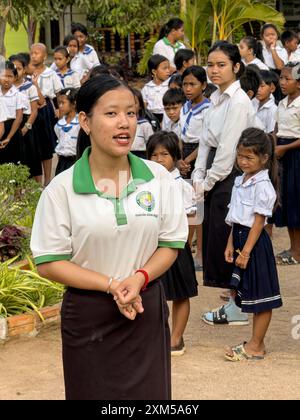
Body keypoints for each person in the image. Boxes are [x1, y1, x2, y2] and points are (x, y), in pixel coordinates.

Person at [30, 75, 188, 400]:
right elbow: (49, 261)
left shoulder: (157, 178)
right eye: (112, 113)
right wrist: (111, 284)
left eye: (131, 113)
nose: (125, 123)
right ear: (85, 121)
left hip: (144, 308)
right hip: (89, 318)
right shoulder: (61, 189)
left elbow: (170, 243)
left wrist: (139, 277)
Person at [193, 41, 261, 325]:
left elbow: (228, 149)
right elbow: (205, 142)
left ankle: (239, 306)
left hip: (235, 175)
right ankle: (235, 302)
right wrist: (198, 176)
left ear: (236, 67)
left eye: (221, 65)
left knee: (233, 237)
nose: (214, 70)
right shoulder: (215, 100)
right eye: (210, 64)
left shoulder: (238, 101)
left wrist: (207, 182)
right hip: (216, 176)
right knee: (220, 237)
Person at [224, 127, 282, 361]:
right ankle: (255, 342)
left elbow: (258, 223)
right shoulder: (240, 180)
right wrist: (230, 244)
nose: (243, 161)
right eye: (240, 156)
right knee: (249, 293)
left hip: (254, 244)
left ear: (264, 158)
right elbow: (235, 216)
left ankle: (256, 345)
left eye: (249, 157)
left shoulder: (263, 186)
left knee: (261, 297)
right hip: (239, 238)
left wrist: (246, 252)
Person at [147, 131, 197, 356]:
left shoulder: (181, 186)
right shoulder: (147, 183)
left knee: (180, 294)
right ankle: (159, 336)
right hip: (153, 247)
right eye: (154, 155)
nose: (158, 159)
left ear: (176, 156)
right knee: (155, 293)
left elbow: (191, 217)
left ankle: (176, 338)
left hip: (175, 247)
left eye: (164, 154)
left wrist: (182, 246)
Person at [273, 62, 300, 265]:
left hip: (295, 154)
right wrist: (275, 144)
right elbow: (277, 128)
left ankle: (298, 251)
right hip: (281, 151)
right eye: (281, 78)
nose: (282, 82)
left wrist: (285, 148)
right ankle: (293, 247)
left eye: (287, 79)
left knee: (296, 201)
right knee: (287, 201)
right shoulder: (282, 103)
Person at [30, 43, 63, 186]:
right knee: (35, 144)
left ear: (44, 56)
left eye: (37, 53)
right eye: (32, 53)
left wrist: (58, 109)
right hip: (32, 109)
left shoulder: (51, 73)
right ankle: (36, 180)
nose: (33, 56)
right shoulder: (27, 73)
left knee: (46, 145)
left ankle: (48, 179)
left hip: (46, 109)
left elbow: (58, 94)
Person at [11, 53, 42, 181]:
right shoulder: (6, 88)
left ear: (24, 70)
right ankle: (17, 193)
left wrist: (26, 127)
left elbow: (34, 111)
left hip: (26, 124)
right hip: (11, 124)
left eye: (18, 68)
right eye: (12, 68)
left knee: (31, 158)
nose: (15, 71)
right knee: (14, 159)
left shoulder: (29, 87)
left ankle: (37, 189)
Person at [0, 61, 23, 164]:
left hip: (11, 129)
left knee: (11, 161)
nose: (7, 79)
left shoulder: (18, 95)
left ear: (15, 78)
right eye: (4, 76)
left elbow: (19, 118)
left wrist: (9, 137)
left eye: (10, 76)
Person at [54, 88, 79, 175]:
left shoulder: (80, 124)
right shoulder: (59, 125)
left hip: (77, 161)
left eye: (63, 103)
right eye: (59, 103)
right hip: (62, 163)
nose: (60, 106)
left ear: (74, 104)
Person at [141, 54, 171, 124]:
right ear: (154, 71)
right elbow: (144, 107)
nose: (168, 71)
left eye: (168, 68)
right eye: (164, 68)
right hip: (151, 117)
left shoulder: (169, 86)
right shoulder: (147, 88)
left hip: (166, 116)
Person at [252, 70, 278, 134]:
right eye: (256, 85)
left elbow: (270, 135)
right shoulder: (252, 102)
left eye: (262, 86)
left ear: (272, 88)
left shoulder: (273, 110)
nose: (258, 89)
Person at [130, 88, 153, 159]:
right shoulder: (122, 123)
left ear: (140, 106)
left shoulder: (145, 124)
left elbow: (151, 143)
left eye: (135, 103)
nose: (131, 105)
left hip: (141, 155)